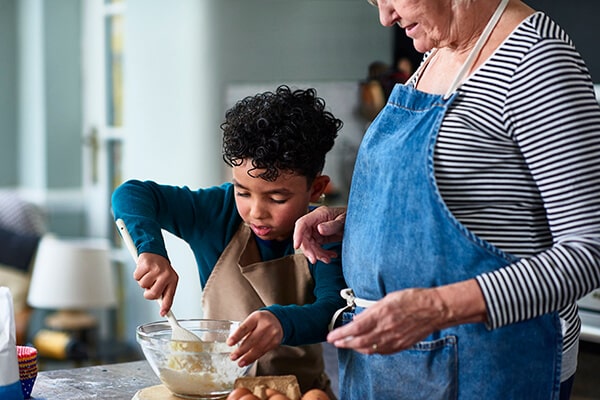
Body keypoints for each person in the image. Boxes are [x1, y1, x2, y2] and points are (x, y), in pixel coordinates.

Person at [293, 1, 600, 399]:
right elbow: (470, 200)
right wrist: (358, 221)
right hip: (395, 363)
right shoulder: (438, 51)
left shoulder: (538, 62)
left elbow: (589, 249)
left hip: (488, 364)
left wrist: (438, 306)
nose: (386, 17)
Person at [112, 85, 346, 396]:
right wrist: (151, 251)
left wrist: (281, 321)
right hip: (217, 389)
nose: (256, 212)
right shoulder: (216, 214)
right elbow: (131, 194)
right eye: (243, 192)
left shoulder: (324, 234)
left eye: (277, 198)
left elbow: (333, 310)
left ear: (316, 189)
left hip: (300, 392)